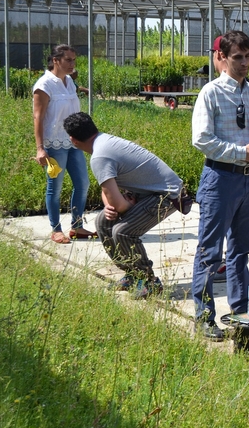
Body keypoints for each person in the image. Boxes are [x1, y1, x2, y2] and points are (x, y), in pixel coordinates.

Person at [191, 30, 249, 341]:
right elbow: (202, 140)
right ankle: (204, 315)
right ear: (221, 58)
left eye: (248, 57)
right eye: (238, 57)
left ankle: (240, 311)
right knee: (210, 251)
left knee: (240, 251)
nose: (244, 63)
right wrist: (240, 153)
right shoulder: (210, 94)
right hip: (220, 178)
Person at [63, 112, 184, 299]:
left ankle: (149, 281)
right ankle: (132, 274)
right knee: (103, 221)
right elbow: (108, 192)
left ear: (73, 140)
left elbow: (120, 205)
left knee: (123, 231)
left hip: (168, 195)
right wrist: (110, 207)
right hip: (148, 192)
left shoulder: (100, 156)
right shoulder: (103, 143)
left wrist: (122, 208)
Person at [32, 44, 95, 244]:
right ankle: (56, 229)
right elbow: (37, 118)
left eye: (74, 60)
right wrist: (40, 148)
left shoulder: (69, 82)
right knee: (55, 187)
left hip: (74, 143)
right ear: (56, 60)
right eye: (68, 60)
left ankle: (76, 226)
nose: (72, 64)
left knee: (83, 184)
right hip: (54, 144)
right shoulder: (44, 85)